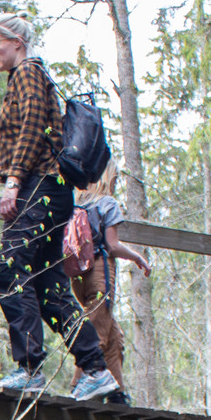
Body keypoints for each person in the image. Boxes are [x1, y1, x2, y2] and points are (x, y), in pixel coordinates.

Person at [0, 13, 118, 401]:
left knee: (12, 275)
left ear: (17, 42)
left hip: (37, 188)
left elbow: (30, 128)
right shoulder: (32, 75)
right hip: (54, 192)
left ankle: (28, 371)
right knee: (47, 285)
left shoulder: (27, 72)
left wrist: (13, 180)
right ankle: (95, 368)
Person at [69, 161, 151, 400]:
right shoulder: (107, 203)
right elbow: (112, 245)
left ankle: (117, 393)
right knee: (97, 331)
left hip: (77, 275)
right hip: (99, 272)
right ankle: (79, 385)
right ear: (109, 178)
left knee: (114, 335)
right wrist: (138, 257)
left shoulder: (73, 203)